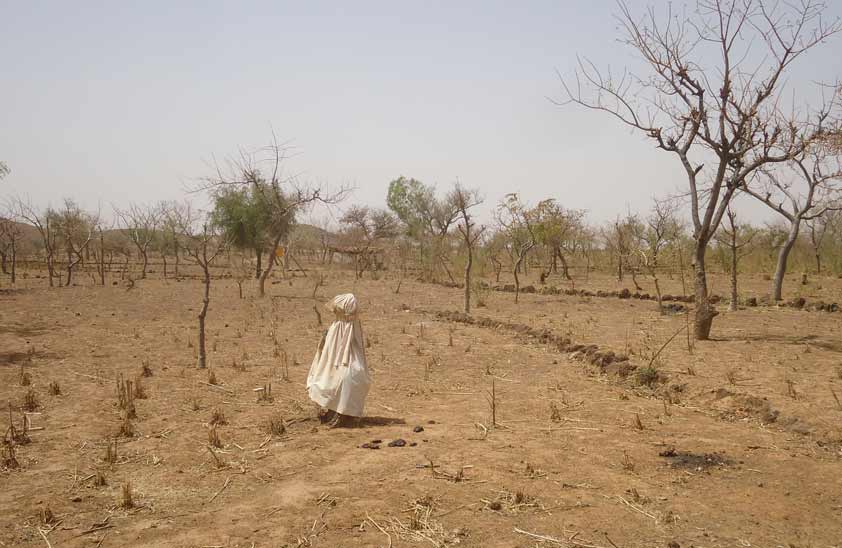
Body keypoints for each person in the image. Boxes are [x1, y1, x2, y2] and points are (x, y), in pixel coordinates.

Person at [306, 293, 371, 427]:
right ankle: (333, 411)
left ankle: (344, 413)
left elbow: (351, 346)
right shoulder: (337, 327)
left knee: (351, 376)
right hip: (333, 361)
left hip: (346, 358)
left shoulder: (351, 327)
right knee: (333, 377)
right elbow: (328, 352)